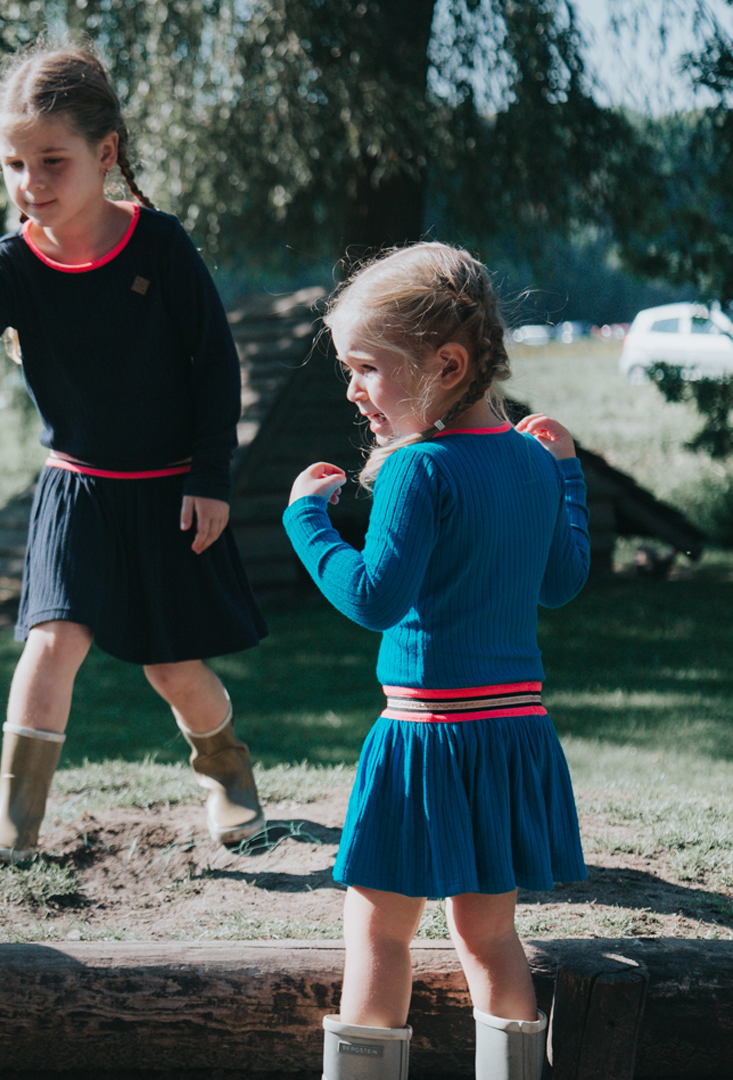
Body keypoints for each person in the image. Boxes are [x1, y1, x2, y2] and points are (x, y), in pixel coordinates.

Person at [0, 40, 269, 862]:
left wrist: (210, 476)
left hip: (170, 491)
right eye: (14, 164)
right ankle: (16, 821)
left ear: (105, 153)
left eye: (52, 160)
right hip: (75, 493)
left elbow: (217, 366)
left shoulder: (161, 246)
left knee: (172, 666)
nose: (31, 183)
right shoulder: (7, 264)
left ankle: (229, 777)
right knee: (52, 642)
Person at [282, 242, 590, 1080]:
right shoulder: (532, 460)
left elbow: (376, 599)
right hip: (513, 733)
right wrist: (568, 480)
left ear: (446, 365)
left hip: (428, 737)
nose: (352, 389)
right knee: (490, 936)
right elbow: (563, 581)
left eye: (367, 368)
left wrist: (308, 523)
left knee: (379, 928)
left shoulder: (418, 469)